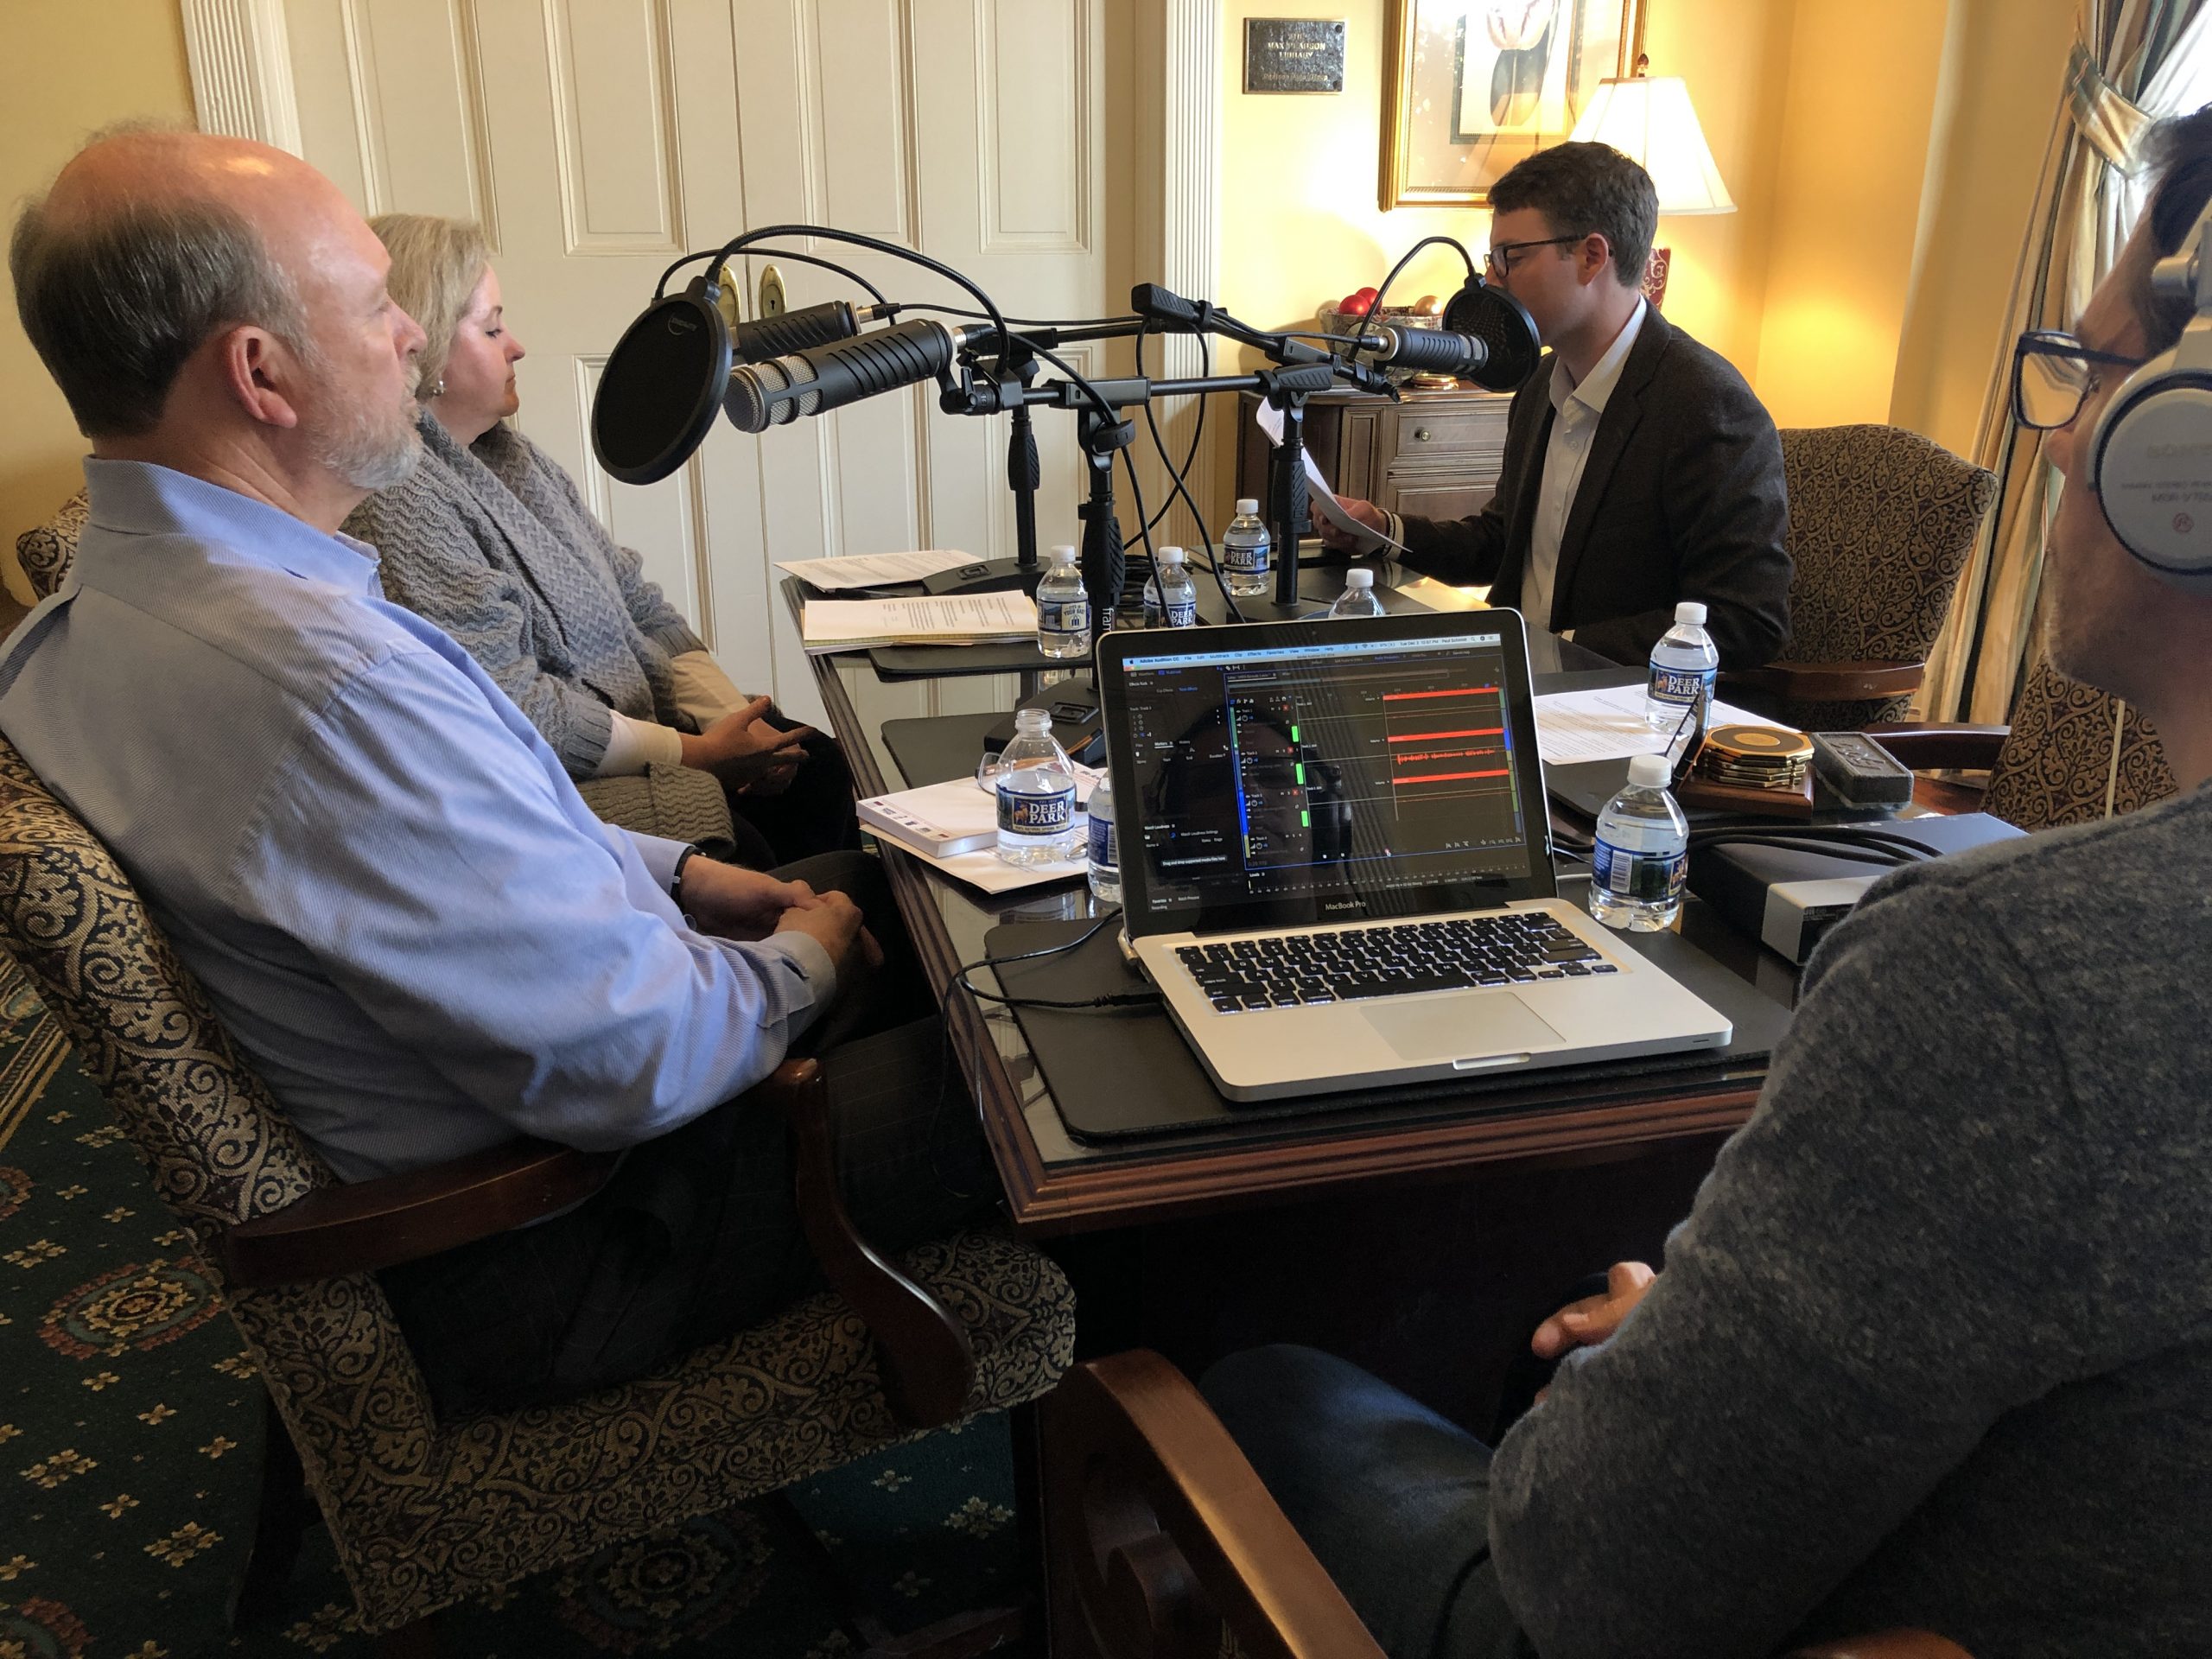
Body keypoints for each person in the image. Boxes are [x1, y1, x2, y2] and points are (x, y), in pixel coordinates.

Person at [1203, 110, 2212, 1659]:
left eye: (2085, 377)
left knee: (1258, 1373)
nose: (2056, 434)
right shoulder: (1544, 386)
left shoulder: (1999, 984)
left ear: (2184, 455)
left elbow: (1593, 1580)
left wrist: (1650, 1365)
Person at [0, 127, 988, 1419]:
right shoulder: (319, 683)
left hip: (519, 1122)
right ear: (262, 374)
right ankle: (1155, 1462)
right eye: (372, 308)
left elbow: (471, 837)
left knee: (905, 886)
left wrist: (687, 872)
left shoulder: (82, 622)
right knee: (1038, 1095)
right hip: (560, 1248)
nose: (410, 340)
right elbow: (633, 1058)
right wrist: (804, 960)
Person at [342, 213, 858, 868]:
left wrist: (733, 722)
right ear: (425, 348)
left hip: (652, 732)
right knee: (755, 841)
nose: (518, 346)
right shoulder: (400, 500)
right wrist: (701, 754)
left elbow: (639, 603)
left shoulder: (509, 457)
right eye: (493, 327)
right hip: (559, 777)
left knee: (815, 766)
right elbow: (516, 708)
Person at [1321, 142, 1791, 670]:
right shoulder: (1544, 379)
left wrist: (1555, 652)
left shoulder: (1708, 406)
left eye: (1512, 257)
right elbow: (1503, 542)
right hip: (1527, 686)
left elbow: (1746, 621)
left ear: (1592, 257)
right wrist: (1383, 528)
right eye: (1491, 258)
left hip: (1626, 710)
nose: (1492, 279)